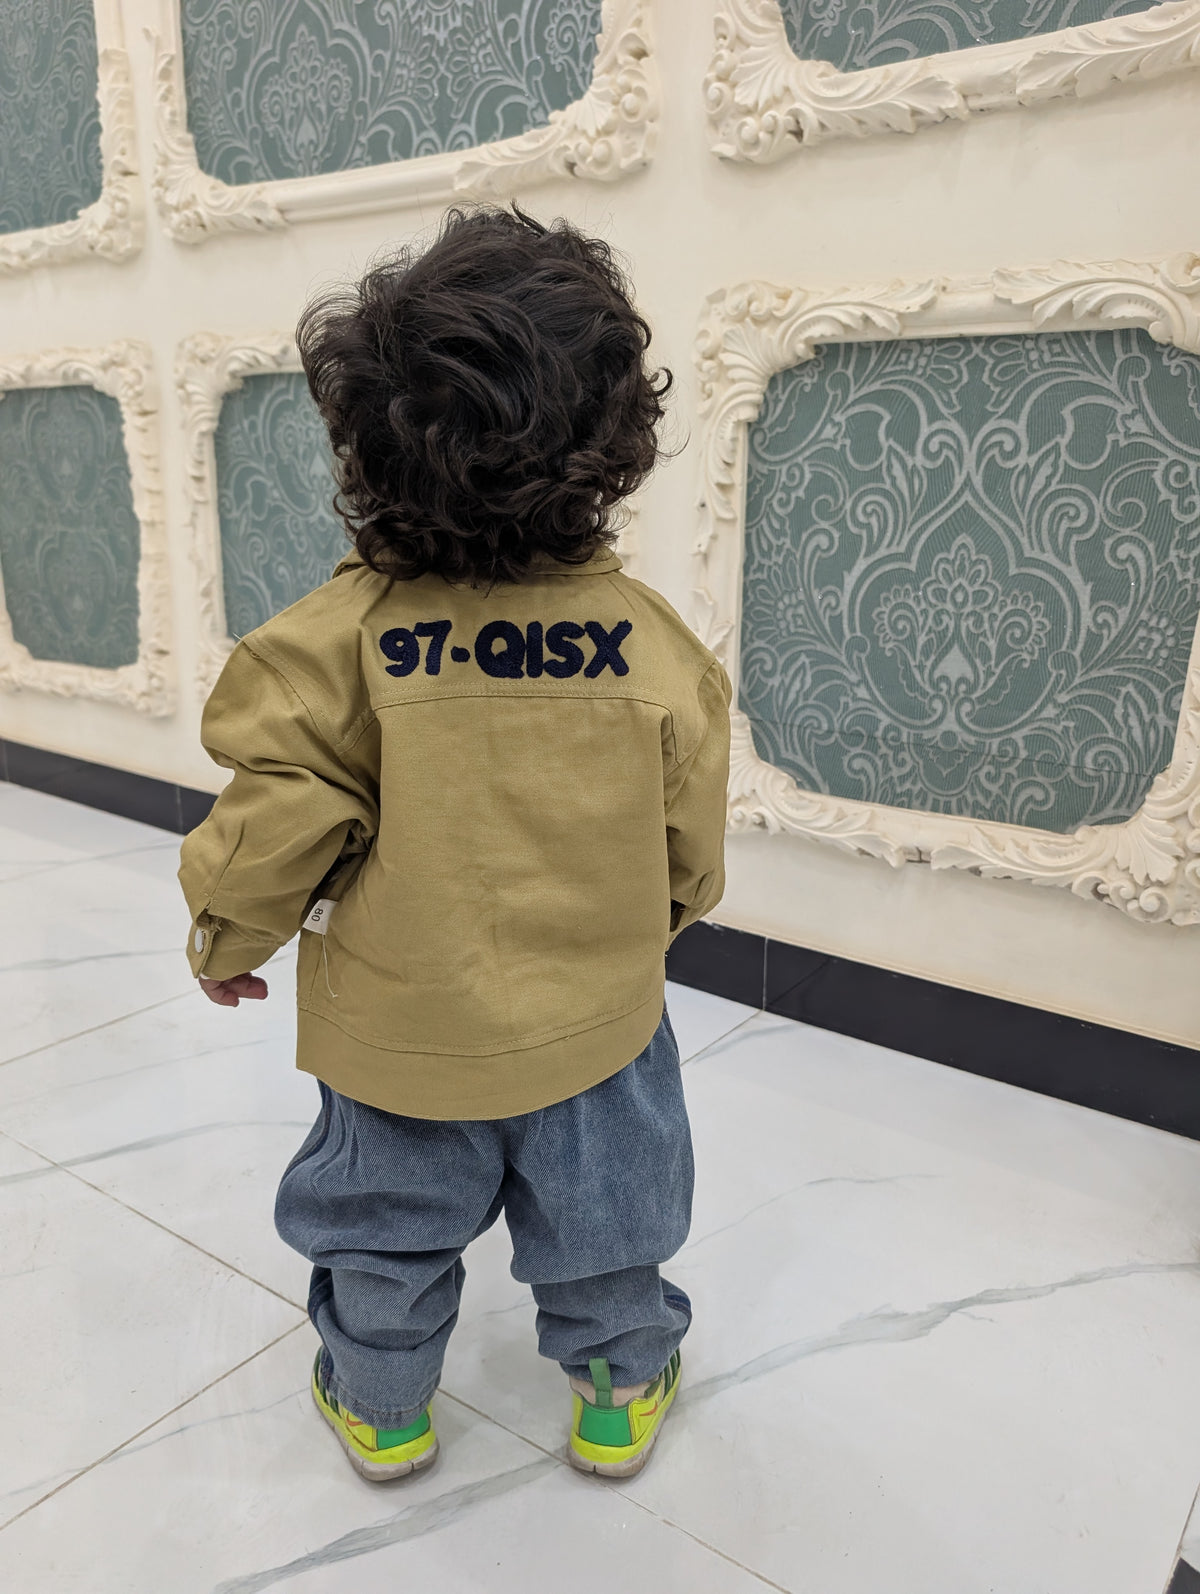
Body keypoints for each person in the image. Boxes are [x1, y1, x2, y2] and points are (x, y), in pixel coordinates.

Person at [178, 206, 731, 1484]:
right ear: (615, 452)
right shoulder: (654, 648)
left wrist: (224, 936)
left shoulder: (328, 647)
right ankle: (616, 1396)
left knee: (381, 1232)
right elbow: (689, 846)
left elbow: (270, 828)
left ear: (368, 447)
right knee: (610, 1226)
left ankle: (383, 1405)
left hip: (398, 1037)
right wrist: (645, 934)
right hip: (596, 1032)